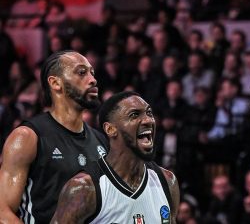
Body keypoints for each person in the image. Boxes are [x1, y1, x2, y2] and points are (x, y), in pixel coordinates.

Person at [0, 50, 107, 224]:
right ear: (55, 83)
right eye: (81, 72)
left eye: (92, 73)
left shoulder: (102, 141)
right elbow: (2, 212)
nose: (93, 79)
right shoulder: (27, 137)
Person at [51, 91, 180, 223]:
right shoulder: (84, 189)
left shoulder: (167, 181)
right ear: (110, 129)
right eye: (134, 115)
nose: (148, 120)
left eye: (149, 113)